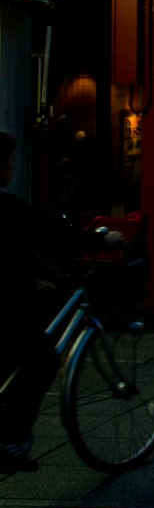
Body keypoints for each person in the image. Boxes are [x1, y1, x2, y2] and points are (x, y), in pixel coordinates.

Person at [0, 131, 59, 473]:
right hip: (9, 310)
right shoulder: (10, 209)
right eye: (7, 159)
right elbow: (50, 235)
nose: (11, 165)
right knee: (43, 359)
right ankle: (12, 437)